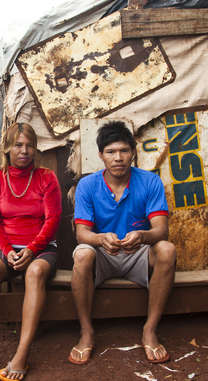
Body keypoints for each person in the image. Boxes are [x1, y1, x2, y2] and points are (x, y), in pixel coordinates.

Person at [68, 121, 176, 365]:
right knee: (82, 253)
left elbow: (161, 230)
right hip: (102, 255)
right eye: (111, 152)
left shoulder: (149, 181)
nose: (118, 158)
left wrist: (142, 236)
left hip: (138, 252)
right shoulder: (87, 185)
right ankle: (86, 332)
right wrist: (99, 238)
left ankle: (149, 329)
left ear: (133, 152)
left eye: (124, 151)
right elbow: (82, 234)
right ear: (100, 156)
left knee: (167, 250)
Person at [0, 122, 62, 381]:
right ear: (7, 148)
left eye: (30, 145)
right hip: (7, 247)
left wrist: (31, 250)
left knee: (35, 273)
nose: (25, 151)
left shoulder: (46, 178)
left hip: (41, 249)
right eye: (18, 145)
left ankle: (22, 354)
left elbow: (53, 219)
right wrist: (7, 251)